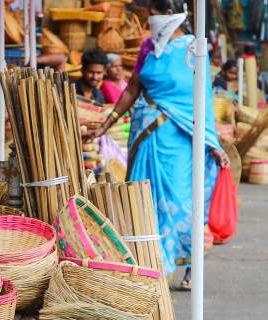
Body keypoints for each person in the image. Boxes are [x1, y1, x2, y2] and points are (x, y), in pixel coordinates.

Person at [93, 0, 229, 290]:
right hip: (145, 138)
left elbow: (202, 97)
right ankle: (151, 266)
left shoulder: (195, 48)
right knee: (144, 201)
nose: (149, 18)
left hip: (180, 140)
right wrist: (107, 123)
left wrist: (211, 141)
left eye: (153, 13)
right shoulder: (147, 47)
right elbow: (132, 88)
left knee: (180, 202)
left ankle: (189, 265)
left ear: (170, 14)